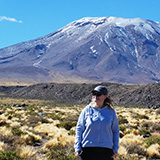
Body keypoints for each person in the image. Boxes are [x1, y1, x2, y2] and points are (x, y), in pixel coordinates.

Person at [74, 85, 119, 160]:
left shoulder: (111, 112)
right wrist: (77, 147)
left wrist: (115, 148)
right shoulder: (86, 110)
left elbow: (115, 131)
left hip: (106, 151)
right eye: (94, 94)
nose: (95, 96)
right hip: (87, 150)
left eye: (98, 94)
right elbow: (79, 129)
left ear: (105, 96)